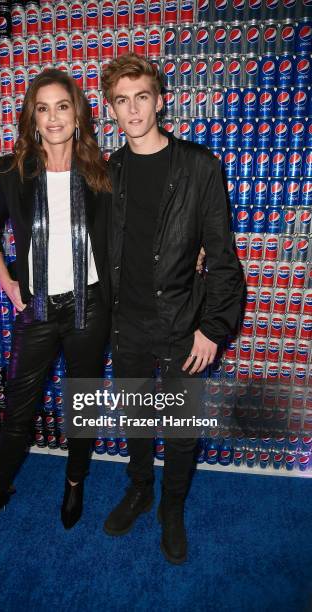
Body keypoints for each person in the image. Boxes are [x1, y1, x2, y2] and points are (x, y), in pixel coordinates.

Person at [101, 54, 244, 564]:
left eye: (142, 96)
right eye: (122, 100)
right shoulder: (107, 172)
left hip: (185, 324)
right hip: (128, 324)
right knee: (138, 420)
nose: (133, 109)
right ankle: (140, 490)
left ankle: (172, 508)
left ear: (161, 101)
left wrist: (213, 329)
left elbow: (223, 257)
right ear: (111, 109)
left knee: (182, 430)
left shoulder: (201, 166)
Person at [0, 69, 112, 541]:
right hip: (38, 308)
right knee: (18, 410)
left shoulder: (102, 170)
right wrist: (7, 281)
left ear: (77, 112)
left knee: (81, 405)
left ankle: (73, 482)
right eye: (42, 108)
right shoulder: (10, 169)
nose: (53, 117)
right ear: (32, 116)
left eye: (61, 106)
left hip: (91, 307)